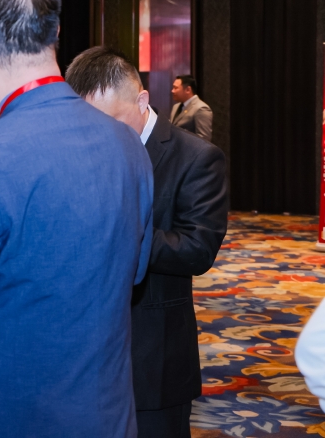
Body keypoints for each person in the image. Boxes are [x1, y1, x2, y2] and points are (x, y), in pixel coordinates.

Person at [0, 0, 153, 438]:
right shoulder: (127, 143)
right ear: (54, 34)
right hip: (106, 406)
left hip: (17, 410)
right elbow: (135, 271)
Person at [66, 47, 228, 438]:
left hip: (153, 351)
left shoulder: (196, 158)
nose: (97, 134)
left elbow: (197, 249)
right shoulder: (77, 154)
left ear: (141, 101)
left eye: (109, 121)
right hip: (81, 348)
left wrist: (116, 231)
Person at [169, 75, 212, 142]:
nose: (172, 91)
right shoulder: (176, 107)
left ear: (188, 90)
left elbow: (204, 139)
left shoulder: (201, 108)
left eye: (175, 88)